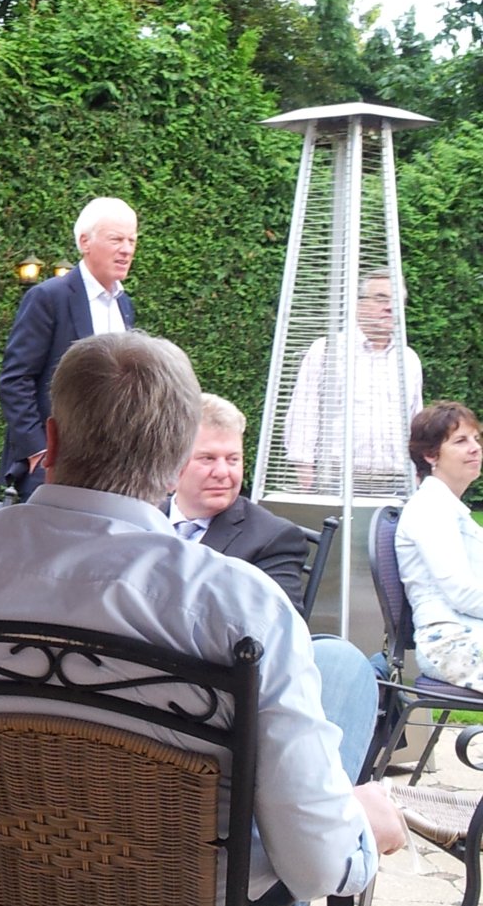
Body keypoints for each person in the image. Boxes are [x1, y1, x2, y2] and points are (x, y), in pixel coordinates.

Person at [0, 331, 405, 906]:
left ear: (52, 439)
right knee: (341, 674)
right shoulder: (240, 608)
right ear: (178, 464)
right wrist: (360, 827)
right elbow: (317, 869)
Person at [0, 197, 138, 500]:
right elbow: (15, 380)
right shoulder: (49, 298)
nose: (127, 249)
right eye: (116, 239)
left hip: (111, 468)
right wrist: (38, 451)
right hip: (55, 465)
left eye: (132, 240)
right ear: (85, 242)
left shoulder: (124, 305)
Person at [284, 267, 422, 494]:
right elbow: (304, 413)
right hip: (337, 479)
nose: (390, 307)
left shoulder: (408, 360)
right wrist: (305, 475)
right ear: (358, 305)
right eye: (381, 299)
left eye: (397, 301)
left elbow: (416, 420)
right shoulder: (327, 350)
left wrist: (418, 474)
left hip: (397, 482)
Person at [168, 393, 308, 615]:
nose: (223, 472)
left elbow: (281, 625)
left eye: (233, 459)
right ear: (172, 461)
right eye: (208, 458)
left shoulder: (273, 539)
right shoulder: (140, 517)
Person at [395, 401, 483, 690]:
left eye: (476, 439)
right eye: (461, 441)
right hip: (450, 644)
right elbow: (462, 593)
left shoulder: (448, 507)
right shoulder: (430, 509)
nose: (475, 448)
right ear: (431, 455)